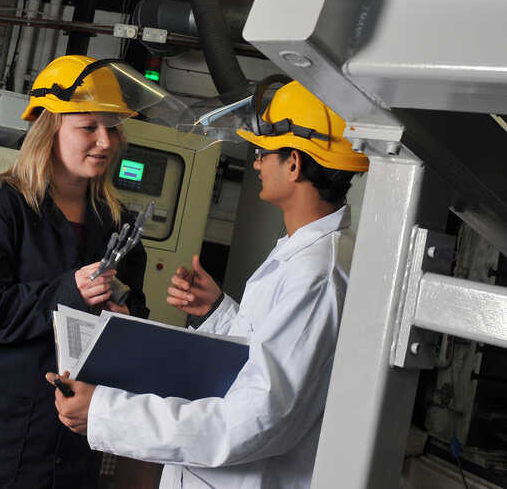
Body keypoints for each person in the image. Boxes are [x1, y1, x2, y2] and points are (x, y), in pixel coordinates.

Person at [48, 79, 370, 488]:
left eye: (261, 153)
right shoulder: (301, 255)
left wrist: (104, 411)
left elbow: (253, 420)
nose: (254, 164)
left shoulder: (317, 273)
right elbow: (260, 358)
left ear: (293, 163)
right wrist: (219, 313)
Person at [0, 55, 161, 489]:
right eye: (89, 127)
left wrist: (126, 317)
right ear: (50, 128)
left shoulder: (117, 223)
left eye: (114, 128)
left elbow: (130, 313)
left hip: (64, 454)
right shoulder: (1, 208)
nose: (105, 141)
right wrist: (69, 291)